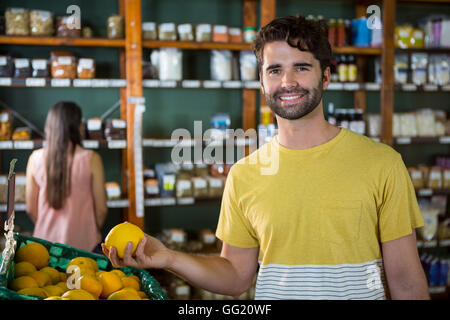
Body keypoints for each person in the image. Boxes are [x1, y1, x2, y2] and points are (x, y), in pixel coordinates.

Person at [102, 15, 429, 300]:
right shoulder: (244, 175)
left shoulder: (381, 164)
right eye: (274, 70)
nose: (287, 81)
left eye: (301, 67)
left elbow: (405, 282)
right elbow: (235, 276)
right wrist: (169, 258)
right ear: (261, 81)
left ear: (326, 76)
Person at [26, 101, 107, 253]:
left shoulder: (34, 159)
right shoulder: (91, 158)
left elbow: (31, 208)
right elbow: (101, 209)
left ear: (49, 127)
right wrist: (89, 230)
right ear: (77, 126)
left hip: (44, 247)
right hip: (85, 246)